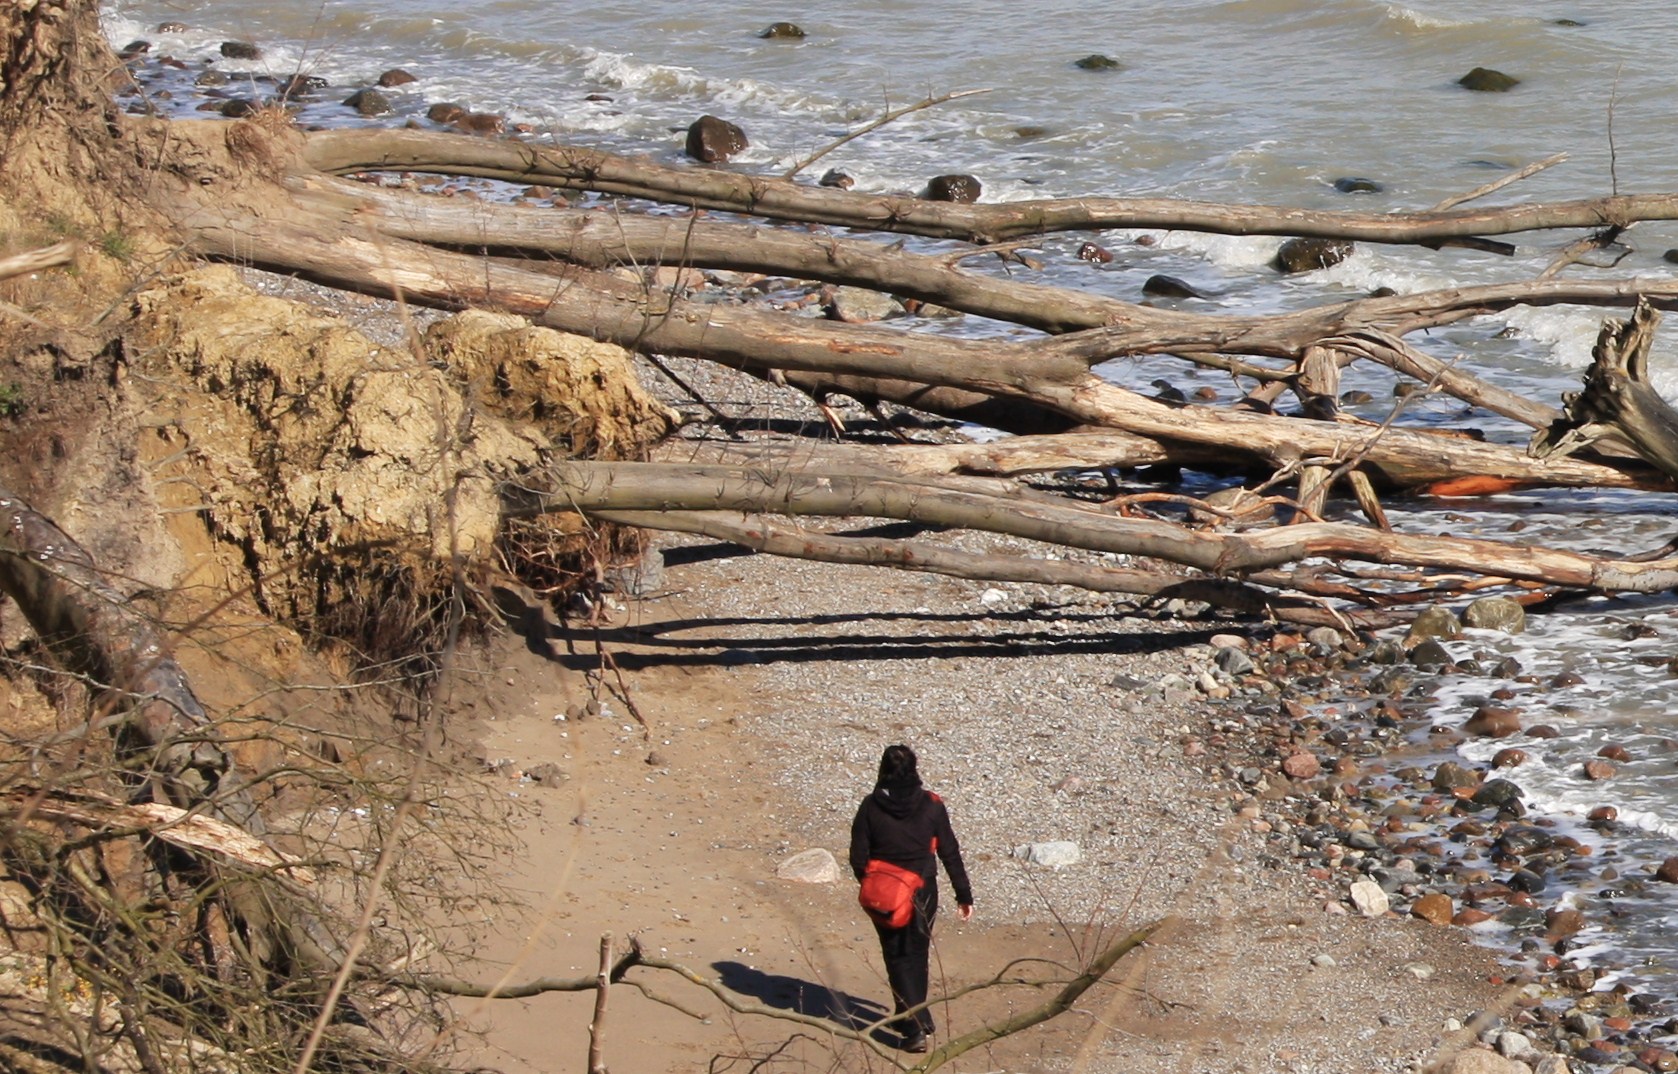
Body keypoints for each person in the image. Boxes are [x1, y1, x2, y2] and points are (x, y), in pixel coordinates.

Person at [849, 744, 973, 1052]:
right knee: (916, 953)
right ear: (914, 769)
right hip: (923, 889)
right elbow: (949, 851)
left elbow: (857, 856)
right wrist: (964, 894)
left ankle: (914, 1027)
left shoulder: (870, 806)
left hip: (885, 893)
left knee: (896, 955)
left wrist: (872, 884)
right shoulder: (931, 805)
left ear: (883, 770)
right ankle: (915, 1017)